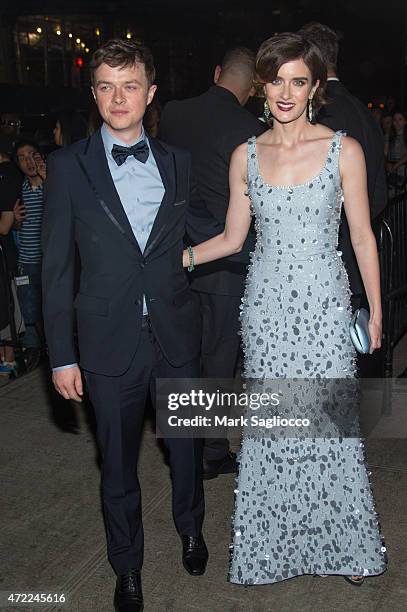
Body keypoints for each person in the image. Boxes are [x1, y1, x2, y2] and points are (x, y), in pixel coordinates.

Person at [182, 32, 387, 586]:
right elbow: (230, 238)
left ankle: (342, 543)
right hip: (267, 310)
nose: (286, 91)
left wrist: (375, 310)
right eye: (276, 80)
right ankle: (271, 547)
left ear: (316, 86)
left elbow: (363, 237)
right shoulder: (244, 156)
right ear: (261, 88)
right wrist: (175, 259)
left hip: (324, 305)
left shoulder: (345, 150)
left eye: (299, 80)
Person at [41, 38, 236, 612]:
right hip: (106, 346)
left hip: (176, 336)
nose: (117, 97)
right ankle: (127, 566)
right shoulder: (66, 167)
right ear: (94, 94)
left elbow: (208, 230)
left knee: (185, 450)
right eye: (105, 85)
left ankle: (191, 528)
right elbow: (53, 269)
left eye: (129, 86)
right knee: (118, 467)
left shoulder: (176, 161)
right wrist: (61, 355)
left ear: (150, 94)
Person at [160, 48, 266, 478]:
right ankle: (211, 453)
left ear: (216, 72)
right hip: (229, 259)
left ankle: (183, 444)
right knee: (220, 360)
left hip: (180, 251)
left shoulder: (173, 112)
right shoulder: (251, 128)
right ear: (254, 88)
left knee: (185, 354)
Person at [298, 23, 387, 310]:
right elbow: (379, 194)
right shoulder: (363, 111)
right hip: (355, 263)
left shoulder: (319, 115)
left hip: (327, 266)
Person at [14, 138, 46, 368]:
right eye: (22, 158)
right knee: (29, 307)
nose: (28, 161)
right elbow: (16, 227)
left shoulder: (53, 183)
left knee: (50, 307)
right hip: (26, 260)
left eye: (31, 154)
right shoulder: (19, 189)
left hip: (49, 262)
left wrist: (47, 179)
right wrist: (15, 221)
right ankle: (35, 351)